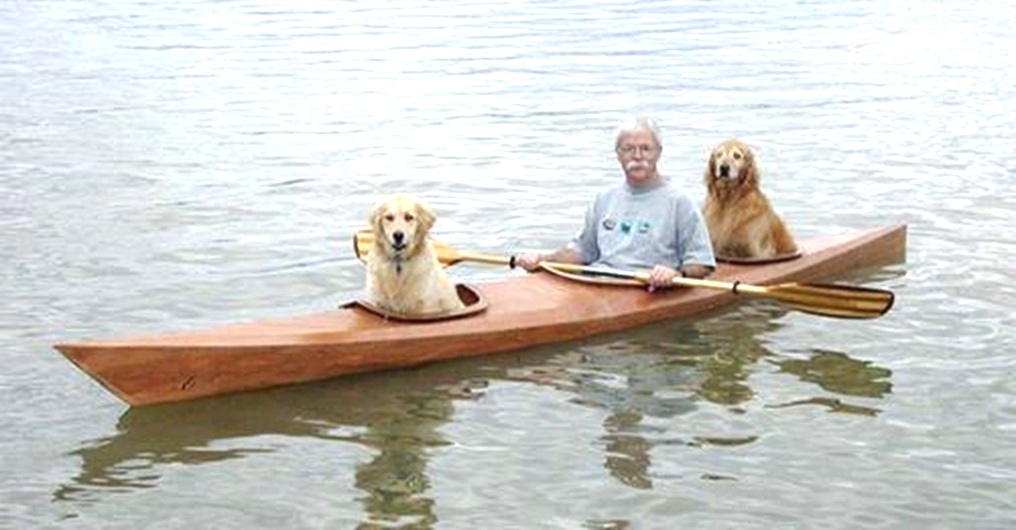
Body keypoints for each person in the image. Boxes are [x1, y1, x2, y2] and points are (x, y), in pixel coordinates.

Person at [515, 117, 715, 291]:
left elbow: (701, 263)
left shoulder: (680, 202)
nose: (637, 156)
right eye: (628, 149)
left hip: (647, 287)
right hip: (599, 283)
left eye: (645, 148)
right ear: (618, 154)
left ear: (658, 153)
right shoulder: (604, 198)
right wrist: (542, 261)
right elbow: (582, 251)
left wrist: (677, 273)